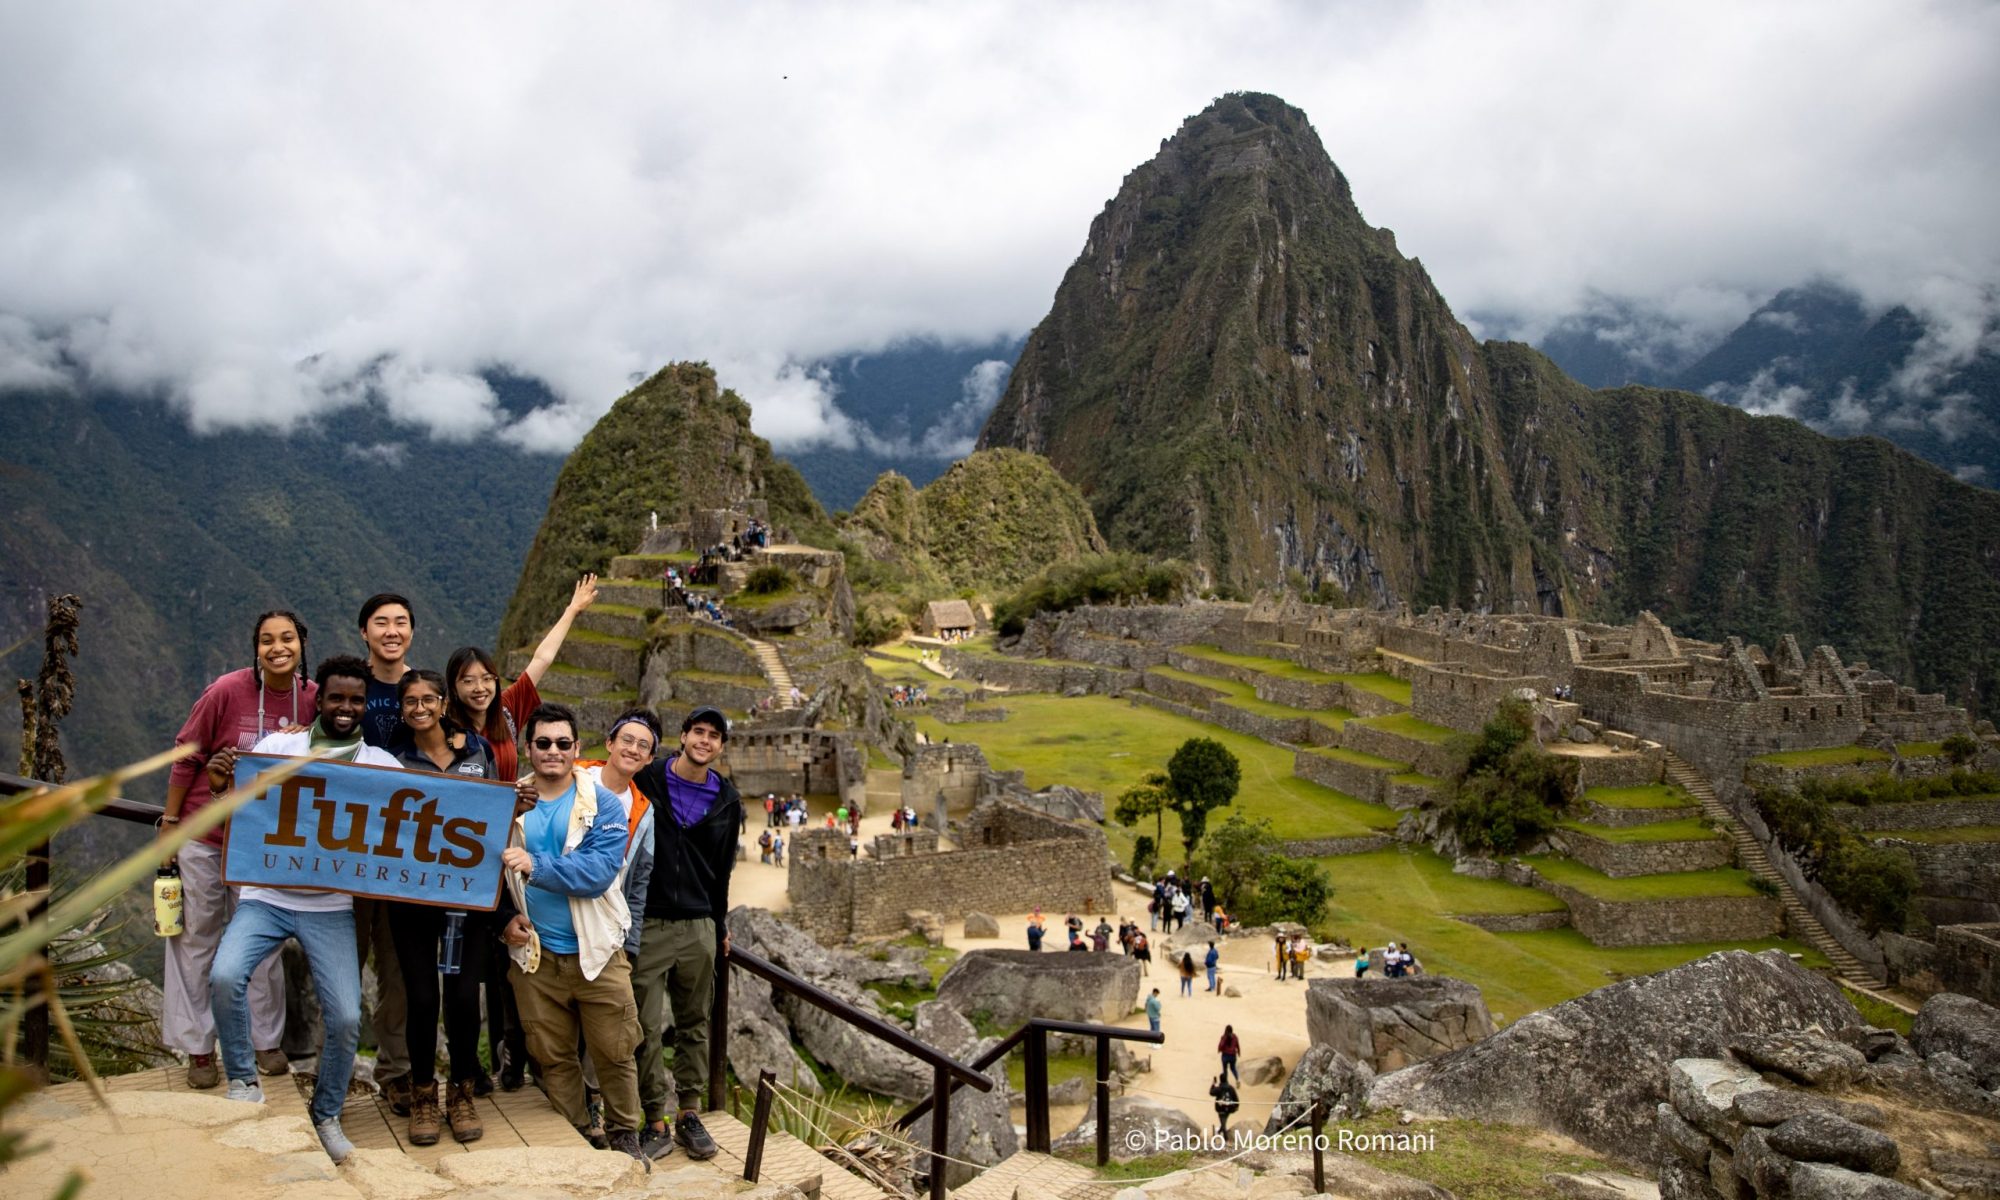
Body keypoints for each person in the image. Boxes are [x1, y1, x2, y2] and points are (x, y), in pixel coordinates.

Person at [203, 653, 390, 1164]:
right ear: (319, 700)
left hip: (330, 906)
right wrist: (221, 784)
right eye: (336, 698)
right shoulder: (277, 747)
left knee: (348, 1017)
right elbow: (238, 805)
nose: (347, 707)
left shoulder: (380, 765)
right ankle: (243, 1081)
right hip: (266, 896)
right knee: (225, 976)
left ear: (365, 703)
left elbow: (424, 816)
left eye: (356, 699)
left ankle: (326, 1113)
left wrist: (508, 805)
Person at [160, 610, 311, 1089]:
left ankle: (264, 1041)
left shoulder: (312, 700)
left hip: (264, 844)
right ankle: (199, 1049)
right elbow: (188, 753)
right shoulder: (227, 690)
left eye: (287, 638)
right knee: (196, 940)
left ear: (302, 643)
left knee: (261, 944)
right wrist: (170, 820)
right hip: (207, 835)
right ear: (256, 647)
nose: (278, 647)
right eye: (267, 640)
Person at [497, 704, 645, 1162]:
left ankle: (624, 1133)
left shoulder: (601, 803)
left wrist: (536, 866)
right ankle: (578, 1134)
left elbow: (599, 871)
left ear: (577, 749)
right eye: (543, 743)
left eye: (564, 743)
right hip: (536, 955)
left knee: (615, 1051)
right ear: (529, 748)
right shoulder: (509, 801)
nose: (554, 752)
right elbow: (483, 870)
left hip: (596, 951)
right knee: (552, 1054)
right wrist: (504, 919)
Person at [386, 668, 502, 1145]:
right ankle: (422, 1094)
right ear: (402, 708)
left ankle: (461, 1090)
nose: (419, 708)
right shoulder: (393, 761)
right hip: (413, 897)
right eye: (410, 701)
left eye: (427, 699)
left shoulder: (476, 752)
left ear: (442, 703)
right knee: (421, 998)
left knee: (460, 998)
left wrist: (516, 804)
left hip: (468, 898)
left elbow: (494, 811)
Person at [627, 706, 741, 1162]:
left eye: (714, 736)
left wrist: (720, 924)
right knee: (644, 1024)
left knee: (695, 1023)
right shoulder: (649, 778)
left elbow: (723, 870)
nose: (705, 741)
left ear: (720, 746)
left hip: (698, 925)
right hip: (650, 921)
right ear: (683, 736)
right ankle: (654, 1116)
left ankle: (689, 1113)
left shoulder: (727, 800)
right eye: (699, 732)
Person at [354, 593, 416, 1109]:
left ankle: (395, 1070)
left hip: (406, 851)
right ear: (364, 632)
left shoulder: (423, 690)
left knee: (397, 967)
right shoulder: (349, 688)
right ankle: (335, 1065)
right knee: (341, 959)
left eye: (400, 623)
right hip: (350, 844)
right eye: (381, 623)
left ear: (411, 632)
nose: (391, 631)